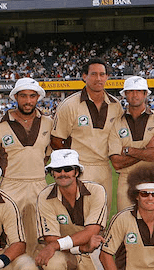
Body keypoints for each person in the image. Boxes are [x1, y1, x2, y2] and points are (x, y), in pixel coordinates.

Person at [0, 77, 54, 270]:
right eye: (23, 95)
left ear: (38, 98)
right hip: (10, 185)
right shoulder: (0, 124)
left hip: (38, 185)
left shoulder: (48, 122)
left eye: (32, 96)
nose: (27, 100)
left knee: (37, 240)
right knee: (6, 239)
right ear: (15, 97)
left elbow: (47, 154)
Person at [34, 149, 109, 270]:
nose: (62, 173)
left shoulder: (97, 191)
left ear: (77, 171)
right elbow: (50, 239)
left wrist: (59, 245)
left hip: (89, 253)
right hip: (68, 253)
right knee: (54, 259)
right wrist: (77, 247)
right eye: (57, 170)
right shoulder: (44, 196)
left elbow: (93, 231)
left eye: (68, 169)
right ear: (52, 173)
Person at [51, 58, 123, 214]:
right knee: (80, 216)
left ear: (107, 77)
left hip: (104, 168)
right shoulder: (69, 105)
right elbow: (56, 140)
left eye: (102, 74)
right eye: (94, 74)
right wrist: (72, 164)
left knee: (103, 215)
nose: (98, 78)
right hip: (80, 168)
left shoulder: (115, 105)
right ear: (84, 76)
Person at [110, 76, 154, 208]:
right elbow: (117, 163)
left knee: (151, 225)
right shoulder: (117, 123)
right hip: (126, 180)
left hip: (153, 177)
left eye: (138, 91)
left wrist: (129, 151)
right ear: (125, 94)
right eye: (130, 91)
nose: (134, 95)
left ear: (145, 94)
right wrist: (147, 149)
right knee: (125, 223)